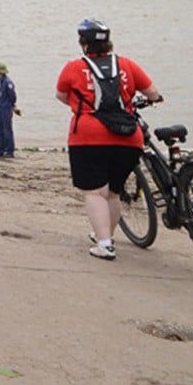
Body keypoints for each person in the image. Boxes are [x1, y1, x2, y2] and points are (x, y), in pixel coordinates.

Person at [56, 18, 160, 261]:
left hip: (88, 137)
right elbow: (152, 92)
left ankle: (104, 243)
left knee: (94, 192)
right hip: (128, 136)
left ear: (83, 43)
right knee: (113, 193)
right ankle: (105, 236)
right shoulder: (127, 64)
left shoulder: (73, 67)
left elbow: (61, 95)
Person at [0, 62, 22, 159]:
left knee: (7, 130)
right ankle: (0, 150)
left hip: (6, 108)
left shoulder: (8, 82)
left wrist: (13, 106)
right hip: (1, 108)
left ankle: (10, 151)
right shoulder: (1, 80)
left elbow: (12, 96)